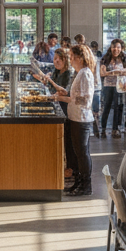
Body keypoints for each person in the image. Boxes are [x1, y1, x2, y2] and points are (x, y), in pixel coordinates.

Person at [45, 44, 95, 195]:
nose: (71, 60)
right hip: (75, 117)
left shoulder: (85, 73)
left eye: (73, 57)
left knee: (82, 153)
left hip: (81, 118)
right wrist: (65, 93)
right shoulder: (80, 73)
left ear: (80, 58)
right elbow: (76, 95)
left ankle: (86, 185)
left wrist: (61, 98)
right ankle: (78, 181)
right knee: (77, 152)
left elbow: (85, 100)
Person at [98, 39, 126, 139]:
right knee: (107, 106)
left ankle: (115, 129)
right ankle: (103, 129)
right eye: (114, 47)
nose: (116, 49)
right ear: (110, 48)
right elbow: (102, 73)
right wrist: (113, 73)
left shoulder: (125, 57)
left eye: (118, 47)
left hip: (120, 85)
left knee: (118, 106)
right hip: (108, 85)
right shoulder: (105, 58)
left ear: (121, 48)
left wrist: (124, 77)